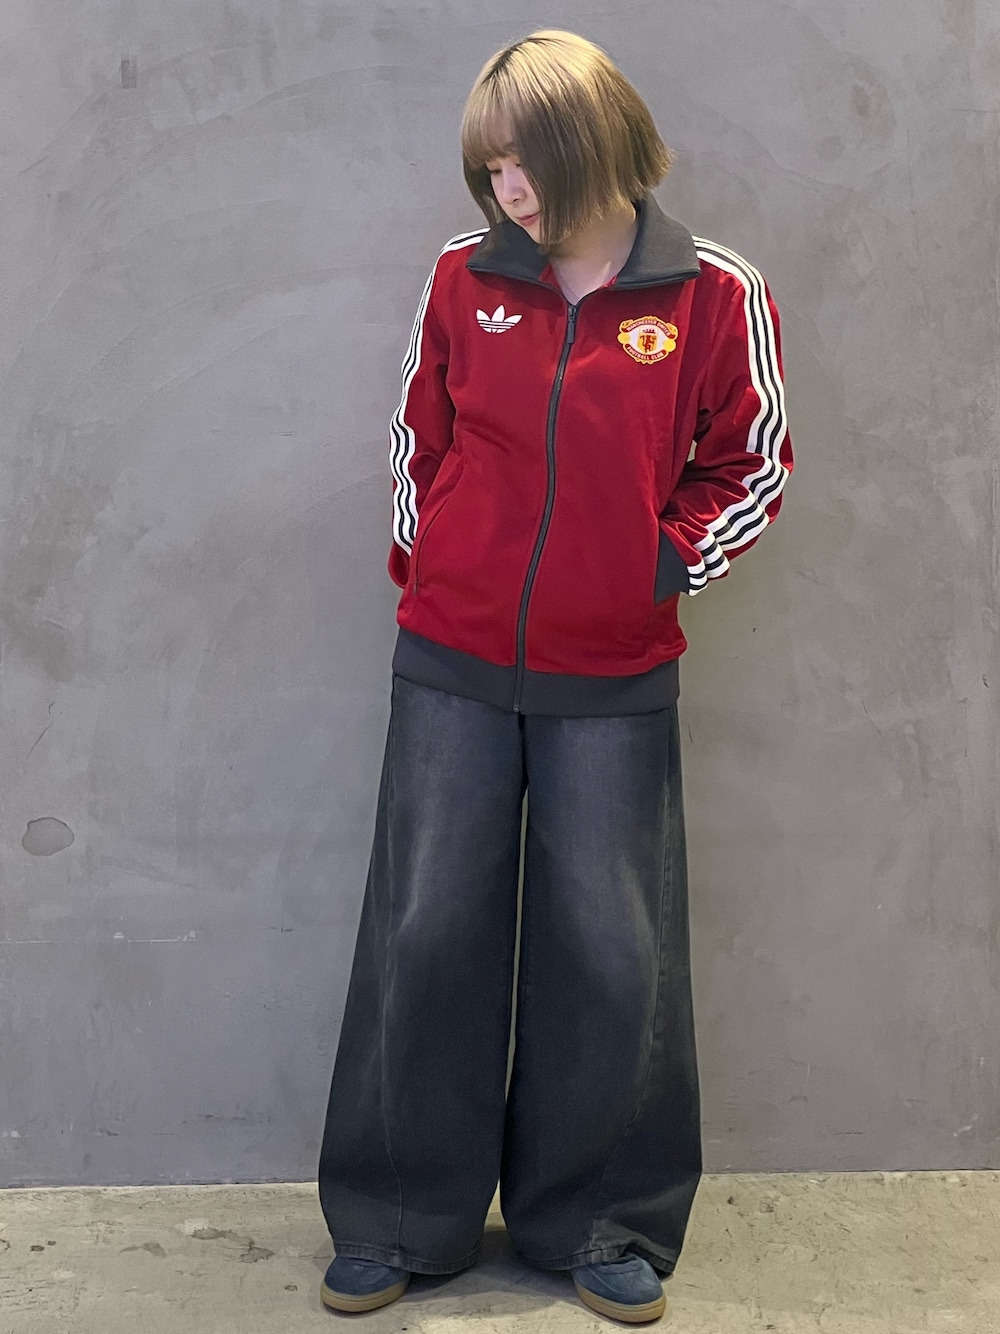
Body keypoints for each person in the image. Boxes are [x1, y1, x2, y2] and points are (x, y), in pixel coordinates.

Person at [317, 28, 792, 1326]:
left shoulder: (710, 292)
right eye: (490, 168)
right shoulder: (462, 274)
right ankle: (399, 1212)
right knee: (425, 928)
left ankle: (602, 1221)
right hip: (452, 662)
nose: (505, 189)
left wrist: (656, 566)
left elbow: (753, 463)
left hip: (613, 672)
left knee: (611, 947)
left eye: (523, 162)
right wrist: (437, 568)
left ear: (596, 143)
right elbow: (418, 439)